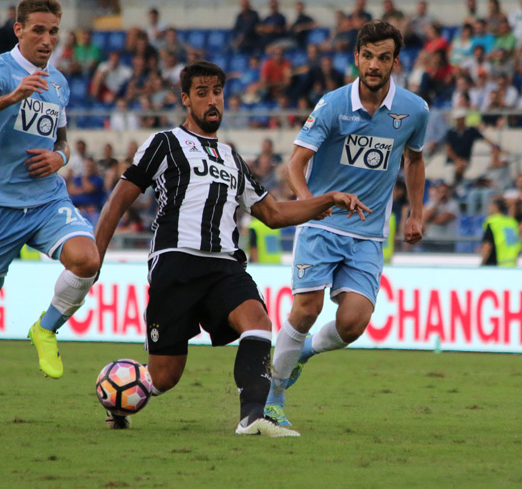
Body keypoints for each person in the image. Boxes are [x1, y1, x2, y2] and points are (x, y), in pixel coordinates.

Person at [93, 60, 370, 436]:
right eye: (202, 93)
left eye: (217, 92)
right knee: (165, 376)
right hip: (175, 264)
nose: (212, 101)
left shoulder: (232, 159)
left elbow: (272, 213)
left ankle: (254, 417)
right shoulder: (164, 144)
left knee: (258, 323)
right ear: (186, 100)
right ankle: (118, 396)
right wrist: (96, 256)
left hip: (224, 265)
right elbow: (118, 201)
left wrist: (329, 200)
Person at [0, 0, 100, 429]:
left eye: (53, 31)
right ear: (19, 30)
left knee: (87, 259)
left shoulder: (59, 82)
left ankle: (46, 327)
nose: (48, 39)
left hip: (48, 198)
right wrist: (12, 97)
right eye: (39, 30)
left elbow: (62, 139)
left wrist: (61, 159)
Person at [265, 20, 428, 428]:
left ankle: (301, 355)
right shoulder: (332, 104)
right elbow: (295, 164)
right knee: (306, 309)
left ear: (394, 62)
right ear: (356, 58)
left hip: (369, 233)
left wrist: (417, 212)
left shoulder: (415, 110)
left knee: (354, 322)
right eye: (368, 56)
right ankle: (272, 400)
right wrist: (310, 205)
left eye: (384, 58)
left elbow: (415, 159)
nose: (375, 65)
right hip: (322, 224)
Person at [480, 198, 521, 266]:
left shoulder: (492, 222)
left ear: (495, 207)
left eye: (490, 205)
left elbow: (488, 245)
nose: (488, 208)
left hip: (495, 264)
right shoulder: (511, 222)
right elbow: (514, 243)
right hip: (511, 263)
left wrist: (482, 263)